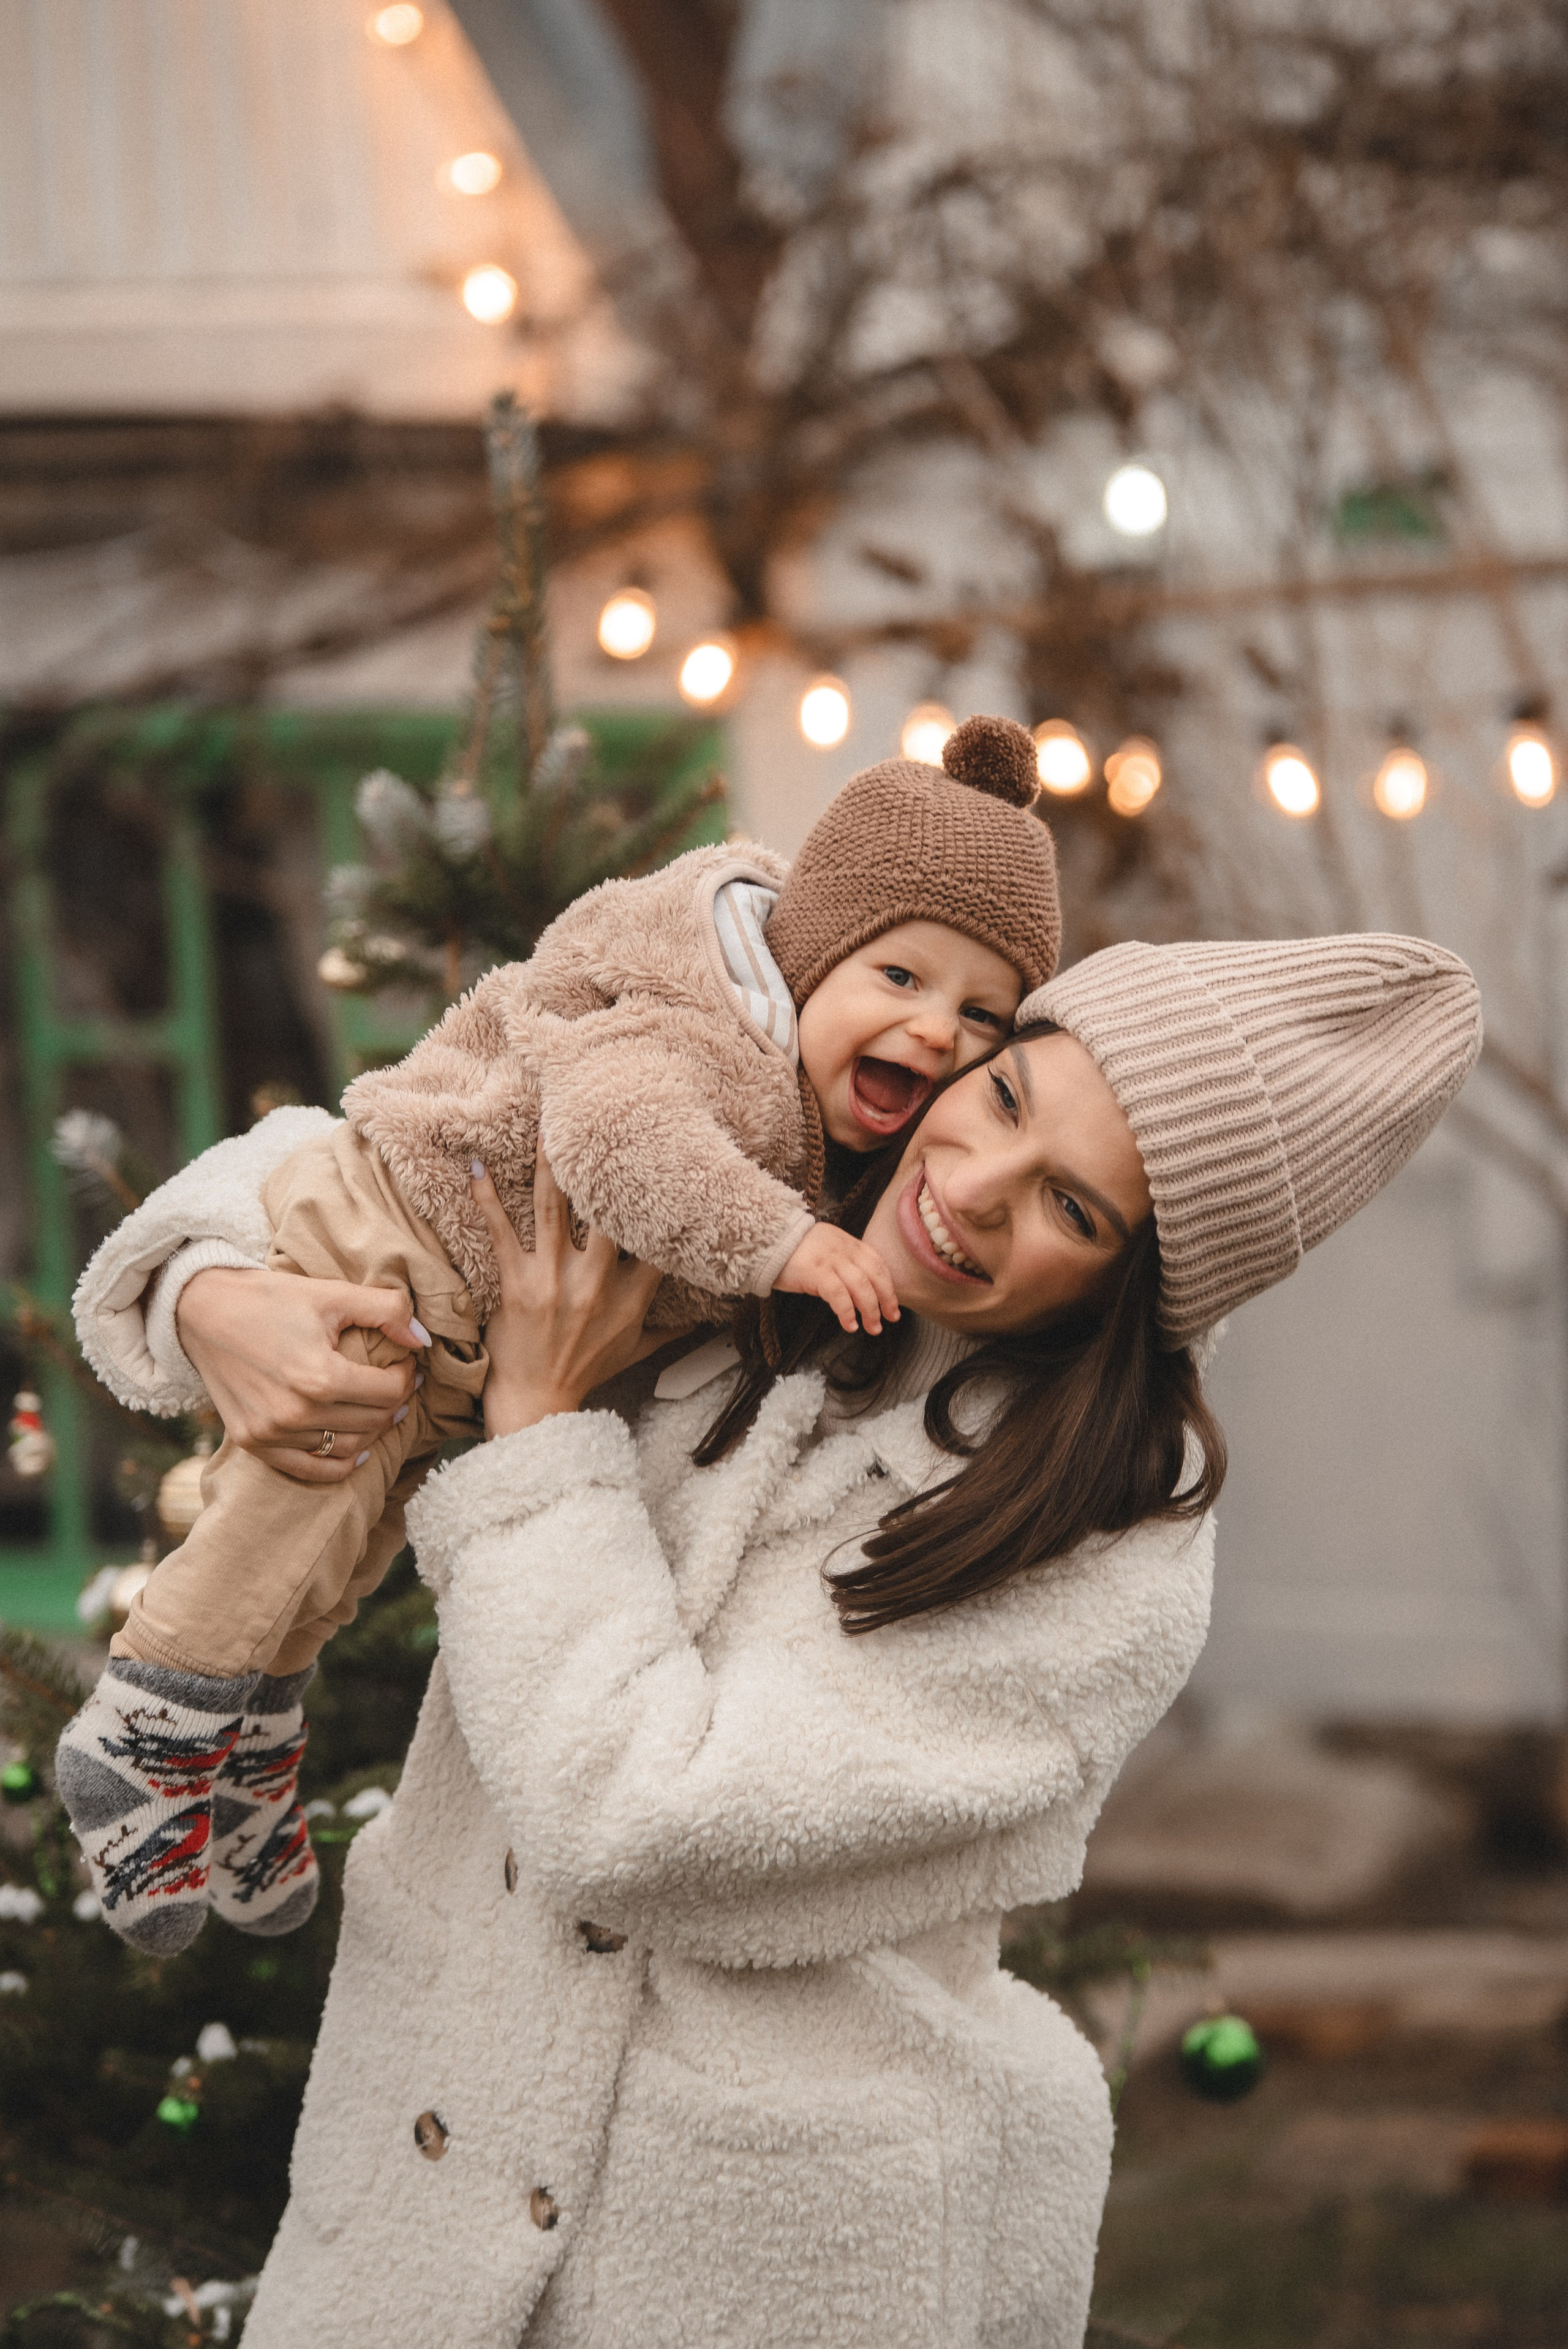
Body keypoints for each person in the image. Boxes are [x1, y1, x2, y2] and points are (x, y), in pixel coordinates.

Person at [67, 928, 1480, 2349]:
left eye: (1073, 1208)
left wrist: (542, 1440)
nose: (970, 1192)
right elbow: (423, 1135)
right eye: (1001, 1099)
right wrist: (212, 1289)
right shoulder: (753, 1196)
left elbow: (646, 1822)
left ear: (1139, 1288)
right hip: (417, 2187)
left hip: (732, 2260)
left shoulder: (1105, 1550)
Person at [60, 715, 1060, 1951]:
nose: (933, 1032)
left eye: (980, 1017)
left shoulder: (848, 1127)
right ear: (812, 956)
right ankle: (149, 1717)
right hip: (396, 1236)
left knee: (356, 1535)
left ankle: (258, 1721)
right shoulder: (709, 1029)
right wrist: (787, 1247)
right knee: (311, 1480)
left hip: (456, 1319)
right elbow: (618, 1140)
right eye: (898, 981)